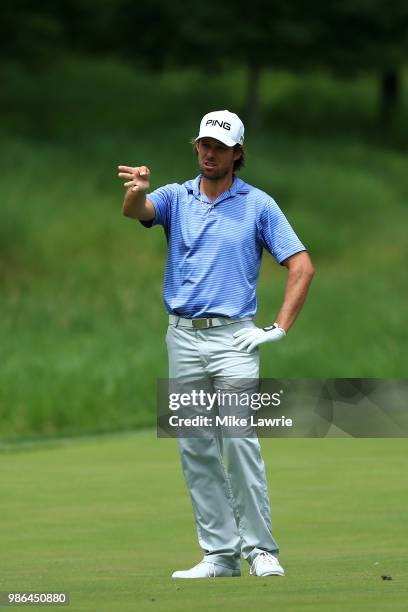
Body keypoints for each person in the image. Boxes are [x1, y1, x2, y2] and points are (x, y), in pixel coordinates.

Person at [118, 110, 314, 579]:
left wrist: (277, 328)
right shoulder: (175, 196)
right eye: (204, 144)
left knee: (239, 441)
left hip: (234, 340)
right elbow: (138, 213)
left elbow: (301, 266)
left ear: (237, 153)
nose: (209, 153)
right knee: (196, 445)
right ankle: (219, 555)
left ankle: (261, 550)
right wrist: (137, 192)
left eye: (220, 147)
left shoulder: (258, 205)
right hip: (182, 337)